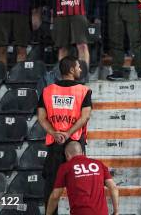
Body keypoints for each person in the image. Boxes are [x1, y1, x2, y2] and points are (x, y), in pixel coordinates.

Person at [38, 56, 92, 215]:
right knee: (80, 185)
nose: (80, 70)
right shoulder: (84, 91)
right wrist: (68, 132)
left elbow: (41, 118)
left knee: (52, 186)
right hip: (75, 145)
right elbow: (85, 117)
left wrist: (54, 133)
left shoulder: (47, 91)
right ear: (71, 70)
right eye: (78, 67)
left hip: (55, 144)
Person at [46, 141, 118, 215]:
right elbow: (113, 187)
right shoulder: (99, 164)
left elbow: (55, 195)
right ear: (83, 153)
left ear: (67, 155)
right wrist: (116, 212)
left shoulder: (65, 167)